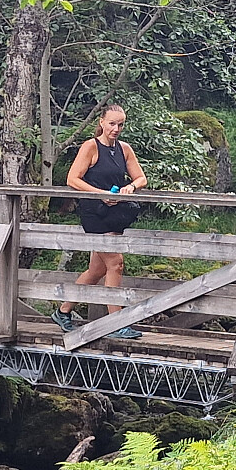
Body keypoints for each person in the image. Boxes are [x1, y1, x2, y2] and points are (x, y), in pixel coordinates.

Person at [51, 105, 148, 339]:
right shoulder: (90, 146)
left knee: (97, 270)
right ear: (102, 122)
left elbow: (141, 178)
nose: (116, 129)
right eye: (112, 123)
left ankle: (63, 312)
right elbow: (73, 179)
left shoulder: (124, 149)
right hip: (94, 212)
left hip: (114, 213)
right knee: (116, 263)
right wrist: (99, 194)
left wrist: (130, 186)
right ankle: (116, 323)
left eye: (120, 124)